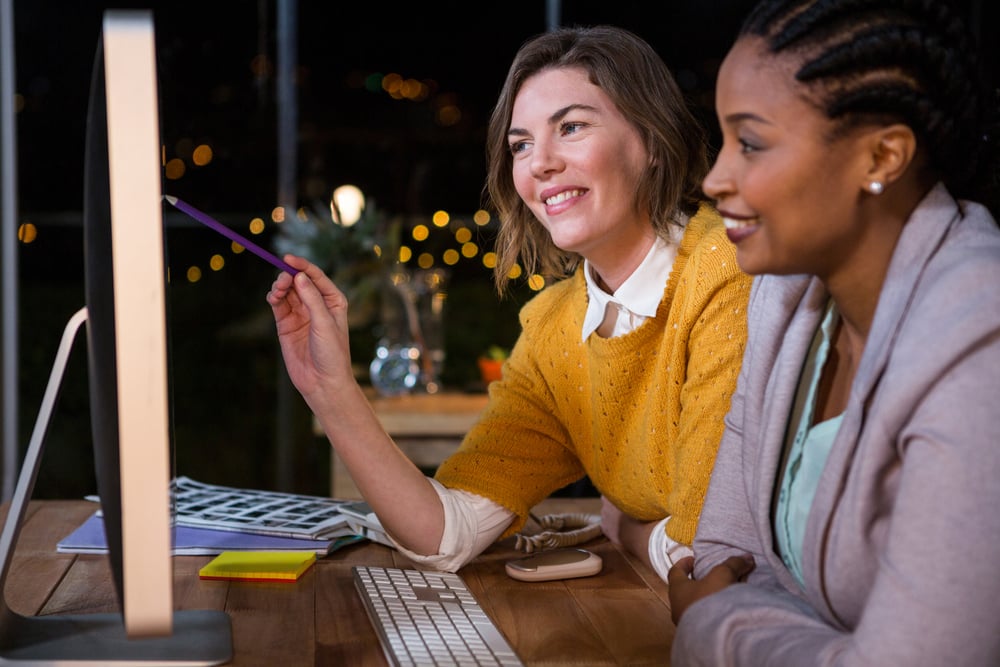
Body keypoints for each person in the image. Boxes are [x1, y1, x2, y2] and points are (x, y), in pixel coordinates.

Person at [267, 25, 751, 579]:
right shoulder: (554, 330)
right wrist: (331, 393)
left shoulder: (726, 270)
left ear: (652, 144)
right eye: (521, 144)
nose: (539, 163)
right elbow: (445, 535)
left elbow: (716, 554)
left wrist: (631, 531)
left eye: (570, 127)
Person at [668, 1, 1000, 664]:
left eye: (752, 143)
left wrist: (717, 624)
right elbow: (723, 551)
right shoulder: (784, 299)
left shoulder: (979, 350)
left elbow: (714, 596)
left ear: (882, 155)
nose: (714, 179)